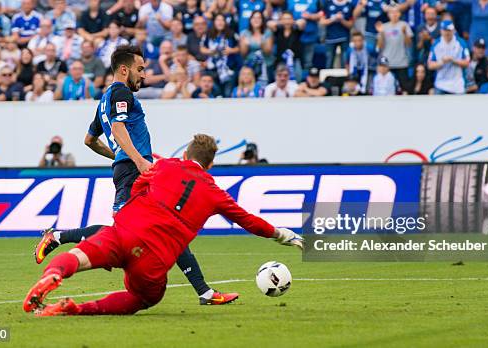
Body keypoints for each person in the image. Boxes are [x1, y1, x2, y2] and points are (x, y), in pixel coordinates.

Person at [35, 46, 239, 306]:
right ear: (124, 69)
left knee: (163, 228)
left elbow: (89, 140)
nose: (143, 75)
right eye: (140, 69)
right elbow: (118, 128)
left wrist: (121, 157)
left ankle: (205, 292)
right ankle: (58, 238)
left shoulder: (104, 99)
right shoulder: (121, 92)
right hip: (134, 173)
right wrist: (139, 160)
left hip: (127, 169)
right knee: (131, 234)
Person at [24, 134, 303, 317]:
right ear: (210, 164)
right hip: (154, 259)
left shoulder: (166, 165)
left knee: (79, 256)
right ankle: (76, 309)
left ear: (186, 154)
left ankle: (54, 273)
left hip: (123, 233)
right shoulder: (215, 193)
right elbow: (249, 221)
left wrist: (137, 202)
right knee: (142, 299)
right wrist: (282, 235)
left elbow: (138, 182)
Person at [200, 13, 240, 97]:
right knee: (216, 94)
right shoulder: (208, 34)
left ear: (225, 22)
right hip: (212, 70)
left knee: (227, 93)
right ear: (214, 22)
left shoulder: (232, 34)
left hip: (228, 69)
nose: (220, 22)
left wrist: (231, 50)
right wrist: (210, 51)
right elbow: (202, 48)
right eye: (218, 20)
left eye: (222, 20)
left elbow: (239, 47)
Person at [427, 20, 470, 95]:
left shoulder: (460, 43)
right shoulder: (436, 44)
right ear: (441, 31)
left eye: (449, 30)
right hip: (440, 84)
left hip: (457, 84)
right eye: (445, 30)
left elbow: (467, 62)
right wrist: (442, 62)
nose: (447, 33)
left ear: (453, 31)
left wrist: (453, 60)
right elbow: (430, 65)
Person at [377, 4, 412, 92]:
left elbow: (409, 44)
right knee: (388, 89)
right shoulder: (384, 27)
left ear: (400, 14)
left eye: (396, 12)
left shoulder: (404, 25)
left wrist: (404, 33)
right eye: (392, 12)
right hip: (387, 63)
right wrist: (381, 33)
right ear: (388, 15)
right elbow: (380, 46)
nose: (394, 14)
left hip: (401, 62)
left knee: (404, 88)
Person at [269, 11, 304, 81]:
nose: (287, 21)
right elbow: (269, 24)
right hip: (280, 61)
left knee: (298, 79)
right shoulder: (278, 30)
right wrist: (282, 22)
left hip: (295, 60)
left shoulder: (296, 30)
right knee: (279, 80)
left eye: (289, 19)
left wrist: (291, 22)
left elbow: (302, 22)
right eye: (285, 19)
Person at [321, 0, 353, 68]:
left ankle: (345, 78)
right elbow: (322, 22)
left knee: (344, 61)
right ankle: (327, 78)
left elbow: (350, 25)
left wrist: (342, 20)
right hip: (330, 38)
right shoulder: (328, 4)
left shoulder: (349, 5)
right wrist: (334, 18)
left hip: (344, 37)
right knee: (329, 61)